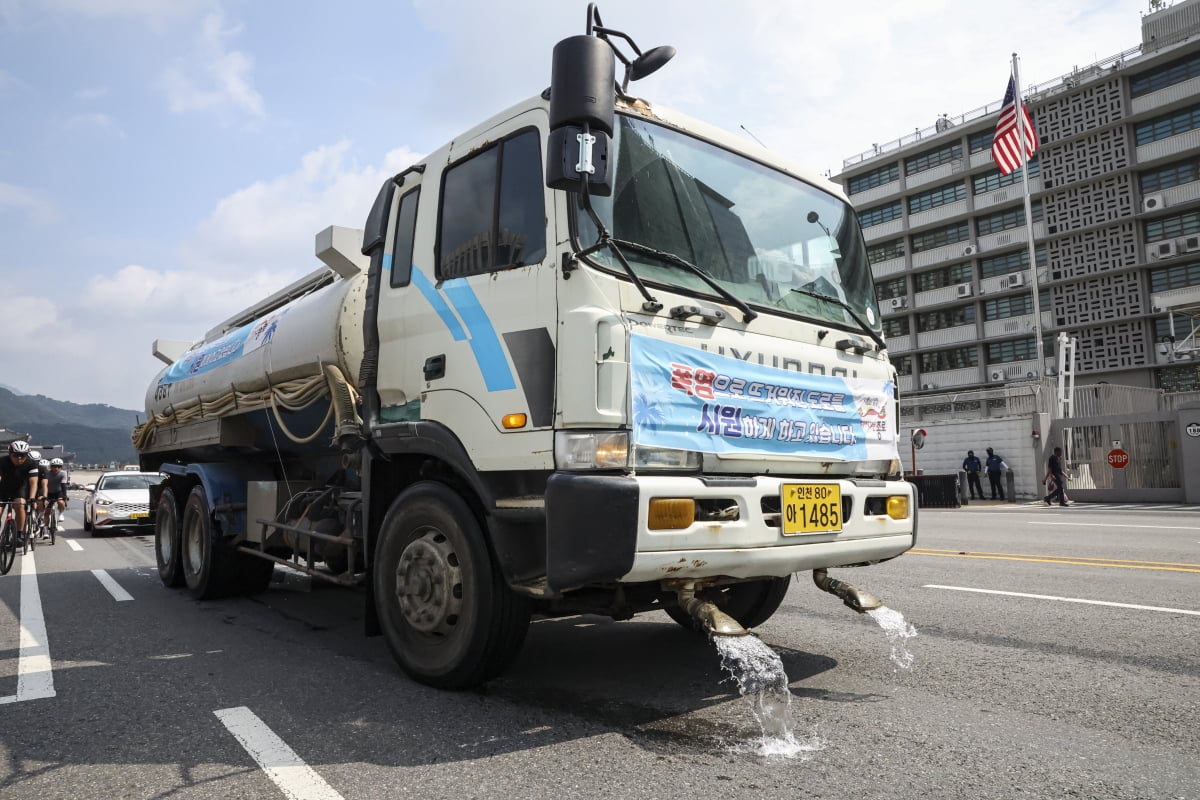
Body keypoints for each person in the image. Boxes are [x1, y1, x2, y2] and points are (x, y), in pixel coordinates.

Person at [0, 441, 40, 537]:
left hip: (19, 489)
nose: (19, 458)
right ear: (10, 454)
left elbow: (33, 483)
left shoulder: (31, 463)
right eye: (16, 455)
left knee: (20, 506)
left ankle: (19, 533)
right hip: (3, 489)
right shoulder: (2, 461)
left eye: (22, 455)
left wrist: (32, 498)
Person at [45, 458, 69, 533]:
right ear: (51, 467)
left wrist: (65, 497)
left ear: (61, 467)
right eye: (54, 466)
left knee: (61, 503)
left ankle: (61, 513)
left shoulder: (63, 473)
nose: (56, 468)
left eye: (59, 467)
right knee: (47, 511)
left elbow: (63, 485)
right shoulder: (47, 473)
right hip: (49, 492)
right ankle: (45, 528)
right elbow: (43, 485)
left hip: (58, 492)